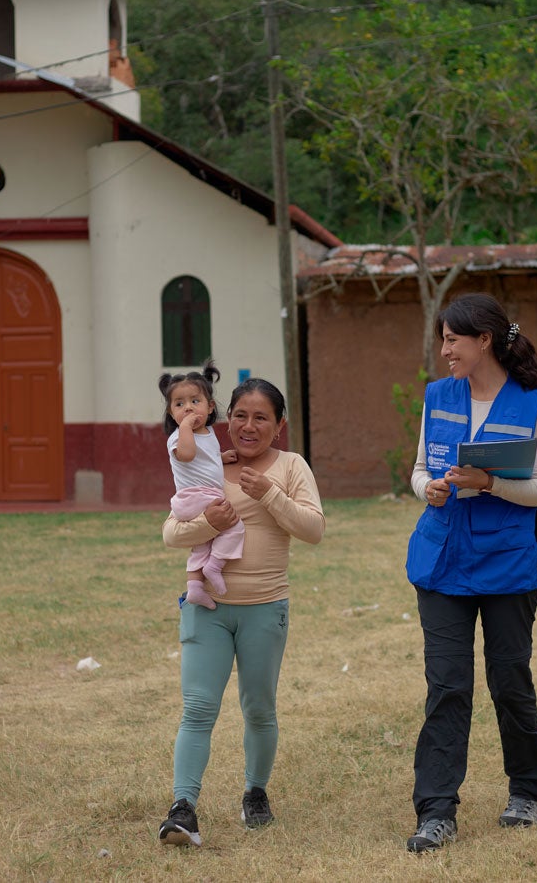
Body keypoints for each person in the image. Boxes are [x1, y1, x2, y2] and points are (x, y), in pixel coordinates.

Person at [403, 292, 537, 853]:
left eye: (452, 340)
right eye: (443, 340)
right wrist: (434, 488)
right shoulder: (438, 395)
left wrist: (488, 483)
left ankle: (529, 791)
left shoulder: (531, 402)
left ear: (484, 340)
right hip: (442, 560)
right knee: (447, 687)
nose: (444, 350)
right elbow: (419, 470)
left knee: (509, 680)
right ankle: (436, 811)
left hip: (508, 566)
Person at [156, 377, 325, 847]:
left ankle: (255, 793)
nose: (248, 427)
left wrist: (270, 493)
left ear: (279, 425)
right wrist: (208, 522)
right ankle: (183, 807)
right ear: (224, 416)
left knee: (259, 709)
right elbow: (171, 532)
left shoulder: (291, 466)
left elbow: (313, 529)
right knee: (198, 708)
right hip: (207, 610)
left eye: (261, 418)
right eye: (241, 416)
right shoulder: (208, 461)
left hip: (265, 609)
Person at [159, 361, 244, 610]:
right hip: (196, 497)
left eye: (195, 401)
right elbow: (186, 455)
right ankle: (214, 566)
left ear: (210, 407)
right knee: (235, 526)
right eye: (179, 404)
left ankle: (195, 586)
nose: (187, 409)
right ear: (170, 412)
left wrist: (220, 457)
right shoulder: (178, 436)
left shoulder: (207, 433)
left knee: (203, 542)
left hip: (196, 498)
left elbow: (200, 460)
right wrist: (184, 427)